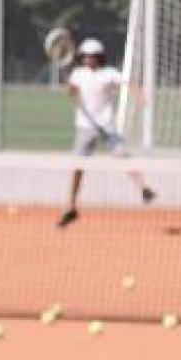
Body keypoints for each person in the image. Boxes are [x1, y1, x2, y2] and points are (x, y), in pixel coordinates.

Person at [57, 37, 155, 228]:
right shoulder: (78, 74)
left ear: (99, 57)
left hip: (107, 127)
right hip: (85, 127)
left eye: (92, 56)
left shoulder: (108, 73)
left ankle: (144, 189)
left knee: (124, 157)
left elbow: (129, 83)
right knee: (77, 167)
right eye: (85, 56)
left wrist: (140, 96)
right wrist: (69, 89)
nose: (88, 59)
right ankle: (71, 207)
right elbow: (71, 92)